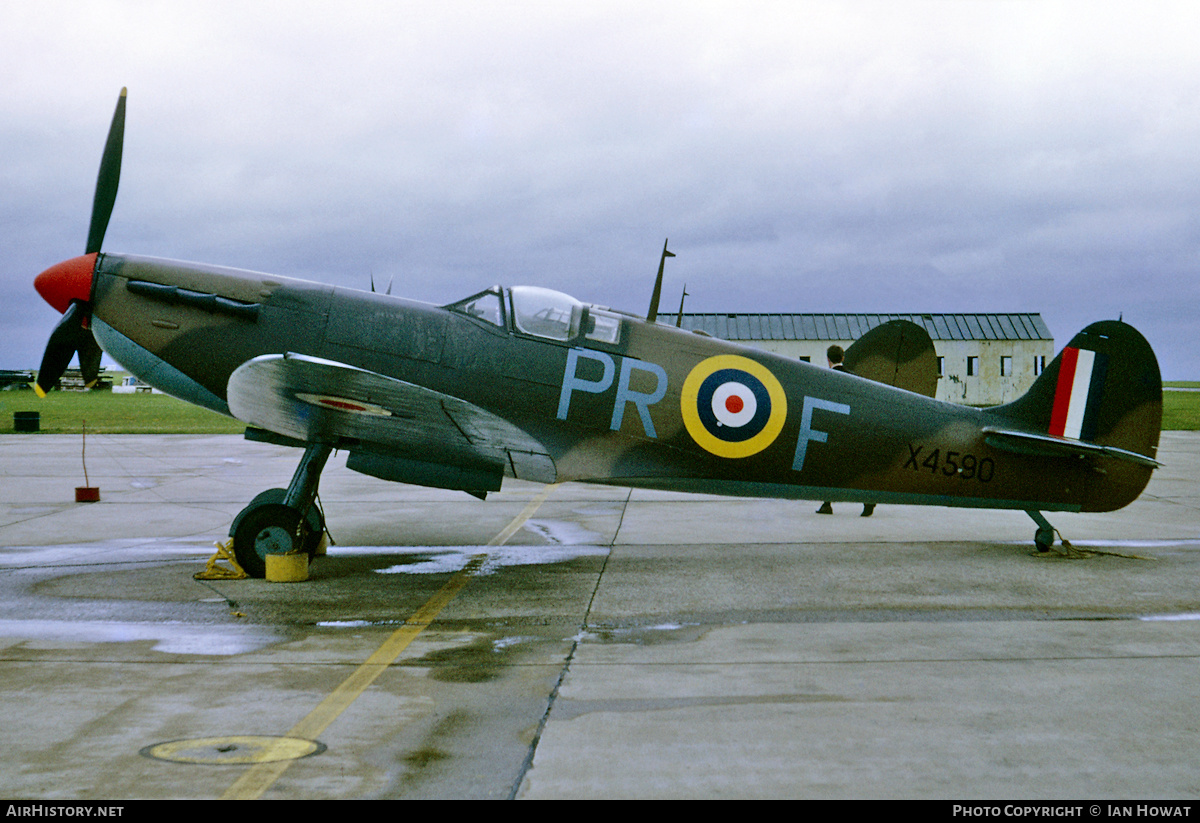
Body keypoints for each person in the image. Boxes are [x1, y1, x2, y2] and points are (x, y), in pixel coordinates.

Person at [816, 345, 875, 517]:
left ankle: (827, 504)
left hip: (832, 430)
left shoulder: (825, 378)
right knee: (856, 467)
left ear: (828, 359)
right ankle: (868, 501)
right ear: (842, 358)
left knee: (830, 468)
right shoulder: (855, 379)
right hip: (852, 430)